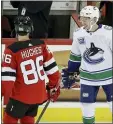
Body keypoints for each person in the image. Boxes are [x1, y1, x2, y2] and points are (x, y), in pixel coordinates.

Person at [2, 15, 60, 124]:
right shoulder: (41, 45)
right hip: (38, 95)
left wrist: (5, 100)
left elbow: (7, 80)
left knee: (9, 119)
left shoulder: (11, 50)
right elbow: (53, 70)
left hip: (20, 97)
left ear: (16, 29)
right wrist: (53, 86)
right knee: (28, 118)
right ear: (31, 29)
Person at [62, 6, 112, 124]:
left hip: (110, 77)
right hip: (88, 78)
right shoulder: (79, 34)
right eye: (82, 18)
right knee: (87, 108)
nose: (82, 21)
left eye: (86, 19)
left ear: (94, 19)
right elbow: (75, 56)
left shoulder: (109, 33)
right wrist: (71, 71)